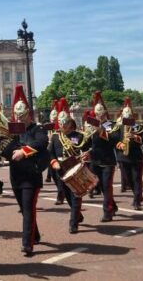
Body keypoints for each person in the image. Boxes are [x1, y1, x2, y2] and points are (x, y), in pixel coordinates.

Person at [3, 85, 49, 256]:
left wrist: (24, 151)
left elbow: (42, 143)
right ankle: (34, 234)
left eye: (22, 116)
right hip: (16, 176)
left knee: (29, 209)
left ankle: (27, 243)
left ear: (29, 114)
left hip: (31, 176)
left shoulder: (38, 129)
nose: (20, 119)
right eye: (18, 116)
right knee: (24, 209)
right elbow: (7, 148)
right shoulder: (13, 131)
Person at [48, 98, 90, 233]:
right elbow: (50, 153)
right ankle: (78, 215)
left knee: (76, 195)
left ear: (69, 123)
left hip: (75, 168)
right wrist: (53, 161)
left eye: (64, 123)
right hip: (61, 169)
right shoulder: (55, 137)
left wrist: (88, 154)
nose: (62, 126)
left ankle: (73, 224)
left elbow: (87, 147)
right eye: (60, 124)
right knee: (67, 196)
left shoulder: (77, 135)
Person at [88, 91, 120, 222]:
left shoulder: (112, 125)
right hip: (95, 160)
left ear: (105, 113)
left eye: (101, 114)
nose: (99, 116)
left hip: (108, 160)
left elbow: (115, 139)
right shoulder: (91, 126)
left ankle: (107, 212)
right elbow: (88, 142)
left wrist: (101, 130)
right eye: (97, 114)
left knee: (107, 186)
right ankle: (113, 206)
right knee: (100, 186)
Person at [114, 98, 143, 210]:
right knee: (129, 180)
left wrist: (135, 136)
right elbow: (114, 140)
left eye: (129, 117)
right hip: (123, 157)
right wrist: (120, 145)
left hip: (136, 157)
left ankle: (137, 201)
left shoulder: (139, 128)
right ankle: (137, 195)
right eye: (126, 117)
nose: (127, 119)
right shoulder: (118, 128)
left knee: (137, 179)